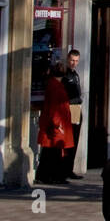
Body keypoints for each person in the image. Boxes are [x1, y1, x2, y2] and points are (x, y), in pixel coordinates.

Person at [37, 59, 73, 185]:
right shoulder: (55, 86)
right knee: (53, 152)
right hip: (57, 123)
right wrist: (57, 124)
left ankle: (49, 175)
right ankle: (52, 175)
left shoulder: (54, 85)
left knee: (51, 151)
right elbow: (54, 107)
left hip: (56, 122)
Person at [61, 50, 83, 179]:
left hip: (76, 107)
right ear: (67, 59)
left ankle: (69, 168)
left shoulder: (75, 74)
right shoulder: (65, 75)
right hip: (69, 107)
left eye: (76, 61)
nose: (74, 63)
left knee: (74, 139)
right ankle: (64, 169)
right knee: (68, 140)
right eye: (72, 60)